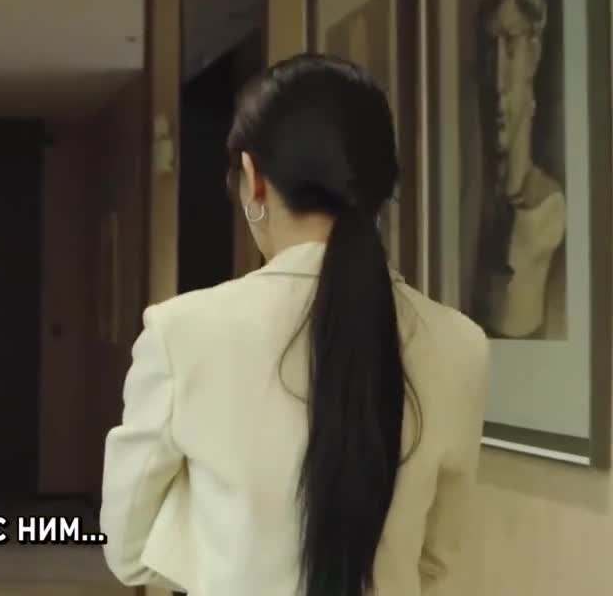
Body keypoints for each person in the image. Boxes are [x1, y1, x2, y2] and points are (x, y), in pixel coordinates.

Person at [99, 55, 489, 596]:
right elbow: (438, 562)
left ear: (253, 179)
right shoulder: (461, 344)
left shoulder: (180, 333)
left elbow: (128, 551)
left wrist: (227, 550)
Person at [473, 0, 566, 339]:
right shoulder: (477, 201)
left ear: (534, 54)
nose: (498, 81)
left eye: (511, 47)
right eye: (490, 50)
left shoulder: (547, 210)